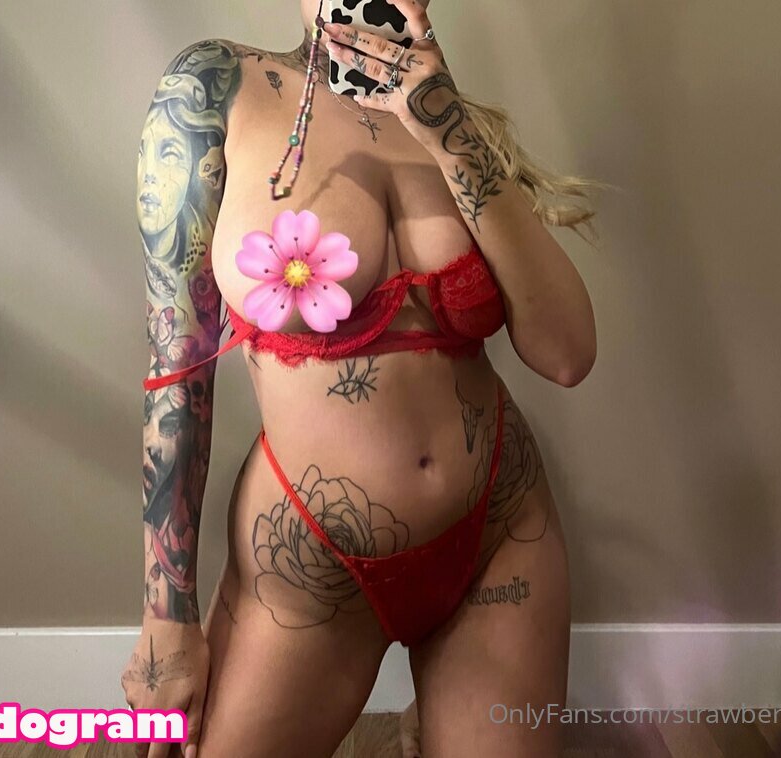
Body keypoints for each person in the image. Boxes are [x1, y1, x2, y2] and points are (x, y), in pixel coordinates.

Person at [122, 1, 601, 755]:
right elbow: (176, 365)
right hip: (307, 566)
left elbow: (567, 353)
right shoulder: (217, 89)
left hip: (499, 538)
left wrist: (449, 129)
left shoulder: (451, 121)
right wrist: (166, 618)